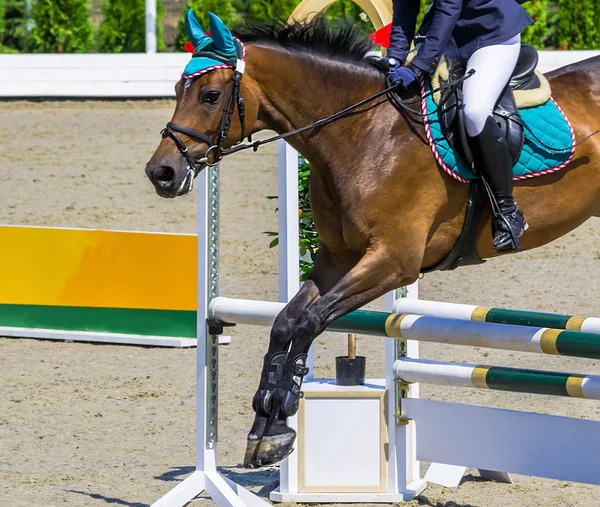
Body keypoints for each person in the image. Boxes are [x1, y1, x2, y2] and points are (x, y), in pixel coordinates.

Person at [386, 0, 533, 252]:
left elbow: (448, 9)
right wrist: (394, 58)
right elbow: (404, 8)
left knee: (475, 112)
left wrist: (419, 65)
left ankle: (508, 212)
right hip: (452, 36)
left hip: (491, 34)